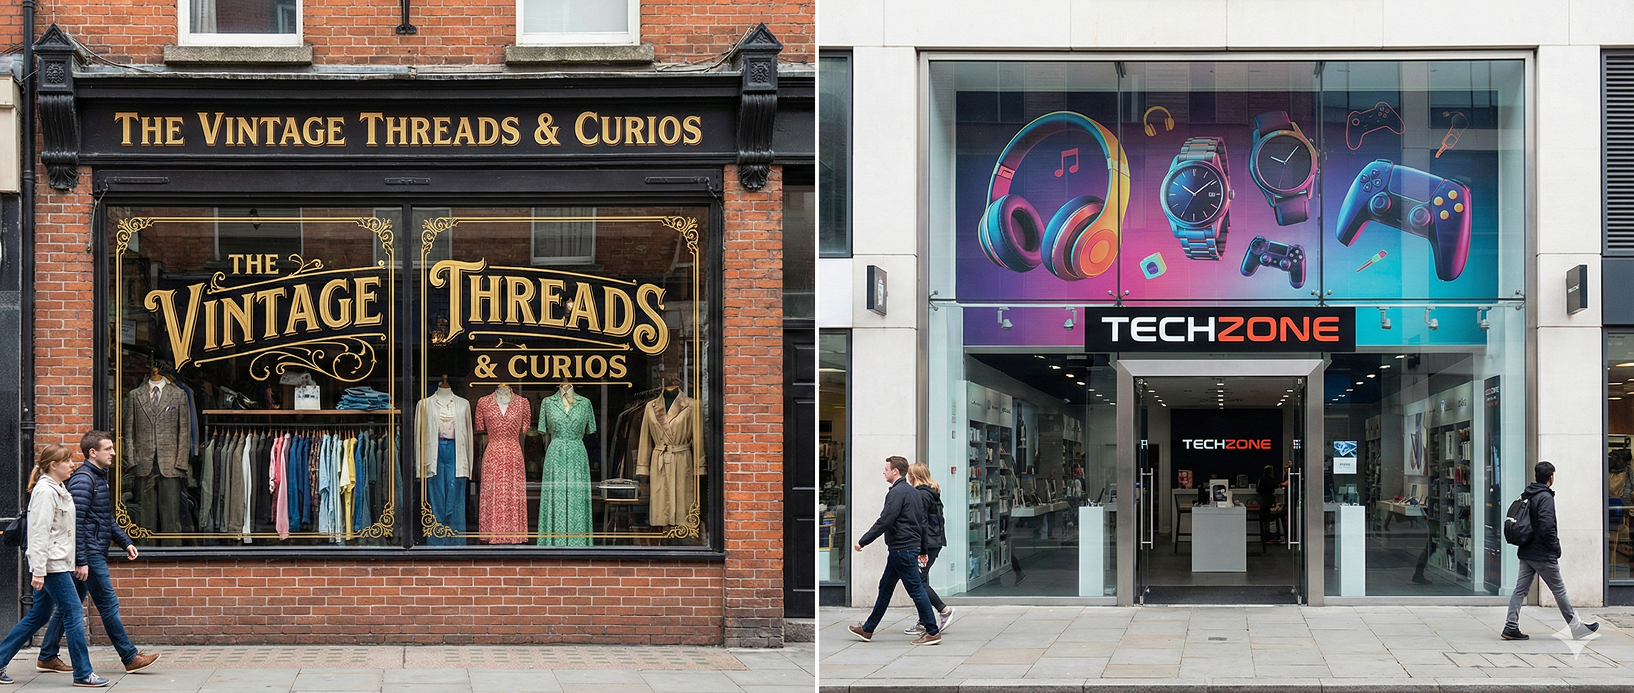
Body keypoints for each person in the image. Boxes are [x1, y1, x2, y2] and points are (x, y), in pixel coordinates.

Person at [36, 432, 160, 676]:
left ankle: (47, 655)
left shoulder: (98, 477)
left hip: (91, 551)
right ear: (93, 452)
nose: (113, 453)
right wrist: (81, 560)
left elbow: (105, 518)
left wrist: (125, 542)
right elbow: (76, 524)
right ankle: (129, 656)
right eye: (108, 449)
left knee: (67, 606)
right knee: (107, 603)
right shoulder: (84, 480)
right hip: (89, 554)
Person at [0, 445, 108, 686]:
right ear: (52, 465)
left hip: (57, 563)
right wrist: (38, 570)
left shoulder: (59, 488)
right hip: (51, 566)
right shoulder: (45, 492)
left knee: (38, 615)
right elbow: (39, 533)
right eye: (67, 461)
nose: (72, 465)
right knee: (73, 612)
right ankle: (83, 673)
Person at [848, 456, 941, 646]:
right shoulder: (914, 492)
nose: (884, 472)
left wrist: (863, 541)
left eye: (886, 469)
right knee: (885, 588)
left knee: (915, 589)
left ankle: (932, 631)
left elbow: (885, 520)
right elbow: (922, 524)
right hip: (906, 548)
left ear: (895, 471)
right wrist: (922, 549)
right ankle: (867, 629)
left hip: (902, 549)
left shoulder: (897, 493)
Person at [1503, 461, 1599, 640]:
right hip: (1542, 553)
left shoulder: (1528, 494)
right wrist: (1555, 547)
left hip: (1526, 550)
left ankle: (1510, 626)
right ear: (1551, 477)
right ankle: (1576, 627)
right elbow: (1547, 527)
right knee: (1559, 590)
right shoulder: (1545, 497)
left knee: (1520, 590)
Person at [903, 462, 953, 636]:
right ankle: (924, 619)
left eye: (908, 474)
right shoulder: (931, 492)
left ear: (913, 476)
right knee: (920, 580)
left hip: (927, 543)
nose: (907, 477)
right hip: (933, 541)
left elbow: (921, 523)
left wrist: (921, 548)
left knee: (918, 581)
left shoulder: (921, 495)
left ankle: (943, 610)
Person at [1256, 465, 1280, 545]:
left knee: (1264, 518)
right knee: (1271, 518)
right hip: (1270, 499)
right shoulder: (1271, 479)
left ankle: (1265, 536)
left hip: (1263, 500)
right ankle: (1271, 536)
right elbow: (1276, 485)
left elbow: (1258, 489)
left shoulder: (1262, 479)